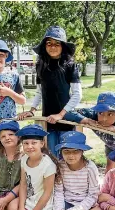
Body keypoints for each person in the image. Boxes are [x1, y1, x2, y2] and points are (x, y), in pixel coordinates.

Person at [19, 26, 82, 158]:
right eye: (49, 43)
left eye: (57, 43)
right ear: (45, 46)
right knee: (52, 156)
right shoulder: (40, 65)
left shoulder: (70, 65)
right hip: (48, 120)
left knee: (68, 156)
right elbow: (39, 92)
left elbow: (77, 94)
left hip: (66, 120)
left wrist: (61, 114)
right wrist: (32, 110)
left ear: (63, 46)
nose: (53, 47)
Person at [68, 91, 115, 172]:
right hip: (111, 144)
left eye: (110, 114)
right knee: (109, 170)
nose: (104, 118)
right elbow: (67, 112)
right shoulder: (92, 115)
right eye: (101, 113)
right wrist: (87, 120)